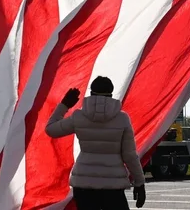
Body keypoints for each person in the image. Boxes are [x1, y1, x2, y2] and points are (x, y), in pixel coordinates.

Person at [45, 76, 146, 210]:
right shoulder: (122, 119)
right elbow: (130, 155)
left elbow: (51, 129)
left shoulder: (78, 117)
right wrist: (139, 182)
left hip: (83, 183)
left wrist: (64, 105)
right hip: (113, 184)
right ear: (111, 93)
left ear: (91, 92)